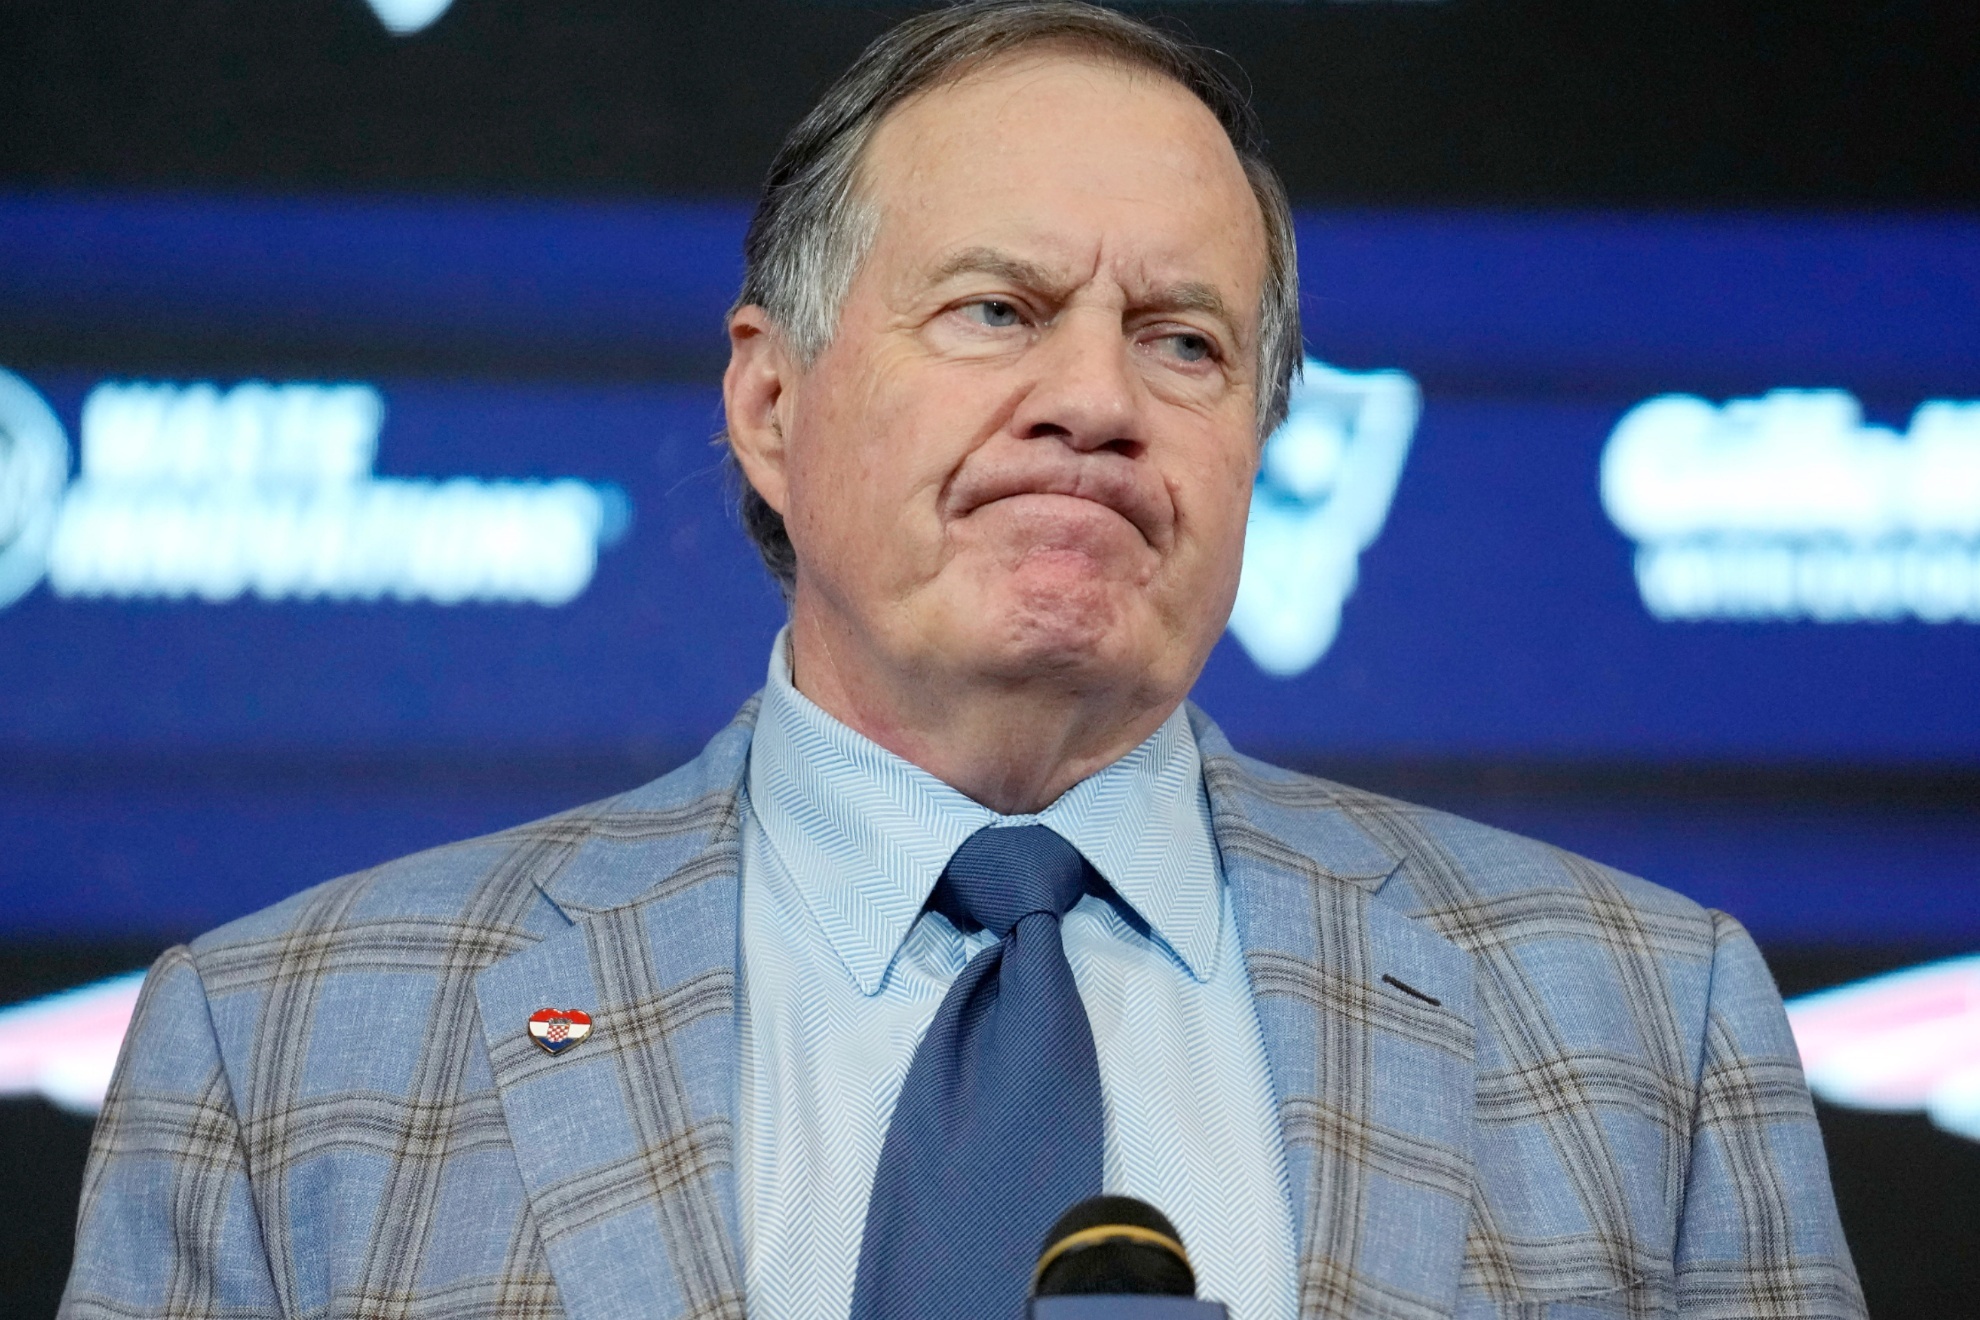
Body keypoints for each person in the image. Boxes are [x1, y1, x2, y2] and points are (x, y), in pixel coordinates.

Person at [61, 3, 1864, 1318]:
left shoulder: (1647, 1029)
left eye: (1182, 341)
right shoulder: (278, 1050)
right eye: (997, 310)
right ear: (771, 404)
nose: (1091, 401)